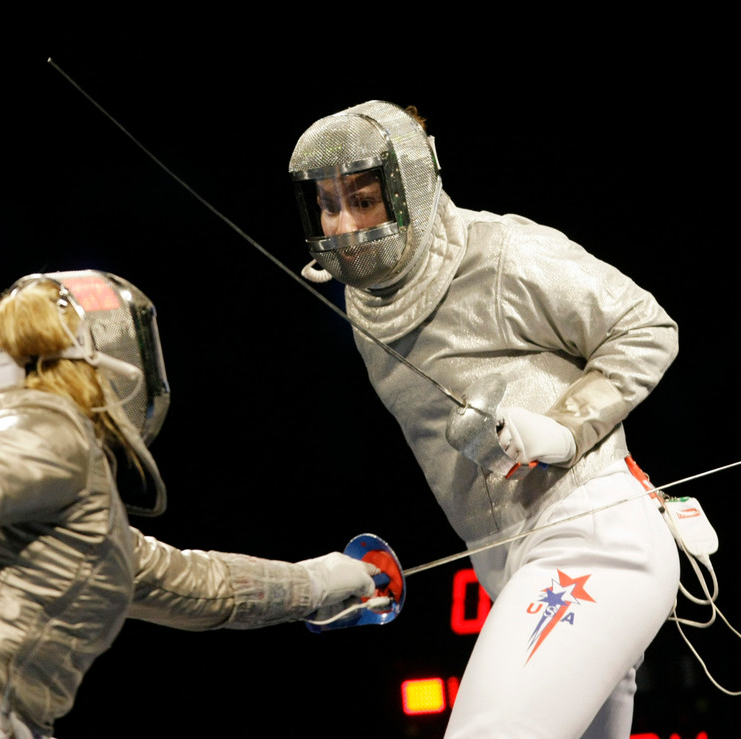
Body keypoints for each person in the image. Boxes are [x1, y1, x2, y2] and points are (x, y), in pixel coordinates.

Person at [0, 269, 379, 739]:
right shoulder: (54, 432)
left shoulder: (70, 505)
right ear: (106, 357)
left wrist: (327, 581)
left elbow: (202, 586)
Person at [288, 101, 680, 738]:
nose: (345, 226)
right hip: (508, 566)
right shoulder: (367, 312)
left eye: (363, 200)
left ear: (409, 189)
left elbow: (644, 327)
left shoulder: (501, 254)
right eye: (328, 206)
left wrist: (565, 426)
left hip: (590, 537)